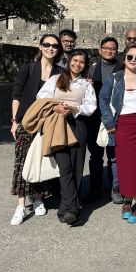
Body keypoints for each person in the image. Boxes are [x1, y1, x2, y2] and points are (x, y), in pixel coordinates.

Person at [100, 44, 136, 224]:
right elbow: (102, 99)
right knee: (125, 165)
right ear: (124, 58)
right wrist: (109, 123)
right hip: (121, 126)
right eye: (130, 57)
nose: (133, 60)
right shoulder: (115, 79)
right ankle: (130, 200)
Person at [36, 49, 97, 225]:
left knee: (77, 166)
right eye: (75, 60)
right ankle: (71, 208)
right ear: (69, 61)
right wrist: (55, 108)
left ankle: (67, 207)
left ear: (85, 65)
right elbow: (41, 98)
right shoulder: (56, 79)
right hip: (57, 125)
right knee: (65, 167)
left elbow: (90, 106)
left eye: (82, 62)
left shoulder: (86, 84)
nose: (77, 64)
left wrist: (75, 109)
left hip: (78, 125)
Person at [9, 34, 63, 225]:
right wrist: (15, 121)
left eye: (54, 46)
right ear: (40, 47)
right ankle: (21, 206)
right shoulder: (29, 68)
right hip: (26, 121)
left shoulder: (59, 72)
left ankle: (39, 197)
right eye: (46, 45)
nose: (50, 48)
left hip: (46, 123)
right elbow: (17, 94)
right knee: (22, 162)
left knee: (42, 159)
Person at [84, 36, 122, 204]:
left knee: (114, 156)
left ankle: (115, 189)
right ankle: (95, 188)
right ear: (100, 50)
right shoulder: (90, 69)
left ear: (117, 51)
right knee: (96, 156)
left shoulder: (121, 68)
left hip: (115, 117)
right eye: (106, 48)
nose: (109, 51)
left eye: (112, 48)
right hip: (95, 118)